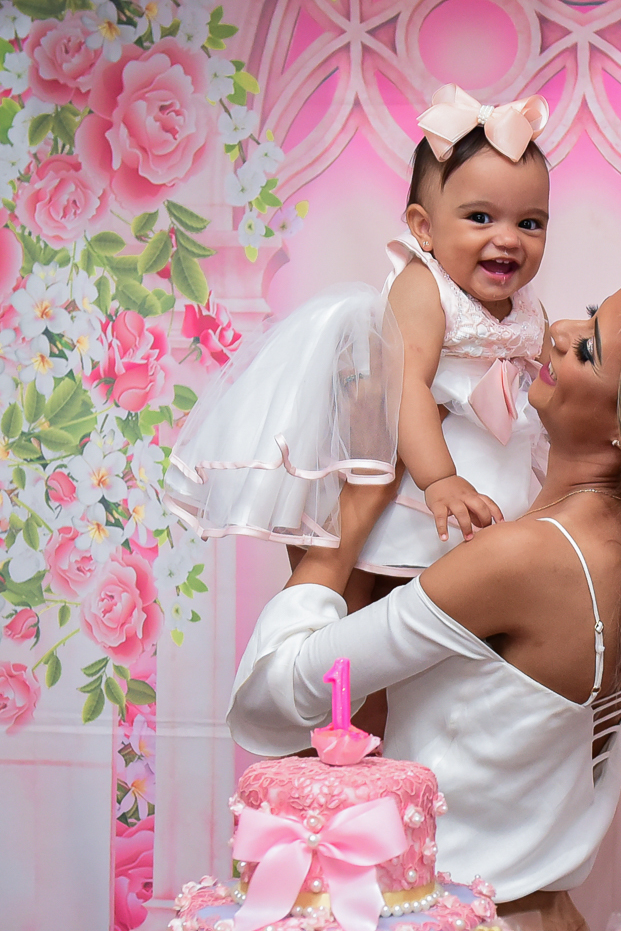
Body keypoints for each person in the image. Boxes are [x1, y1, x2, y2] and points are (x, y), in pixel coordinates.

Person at [229, 271, 621, 931]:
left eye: (589, 348)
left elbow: (272, 700)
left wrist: (345, 528)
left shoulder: (526, 559)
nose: (558, 332)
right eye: (587, 314)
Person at [164, 84, 552, 584]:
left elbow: (547, 372)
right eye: (480, 217)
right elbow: (406, 386)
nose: (508, 238)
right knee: (382, 580)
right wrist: (439, 478)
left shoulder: (527, 304)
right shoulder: (425, 286)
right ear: (423, 228)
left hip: (495, 467)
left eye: (530, 223)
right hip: (423, 469)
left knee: (471, 593)